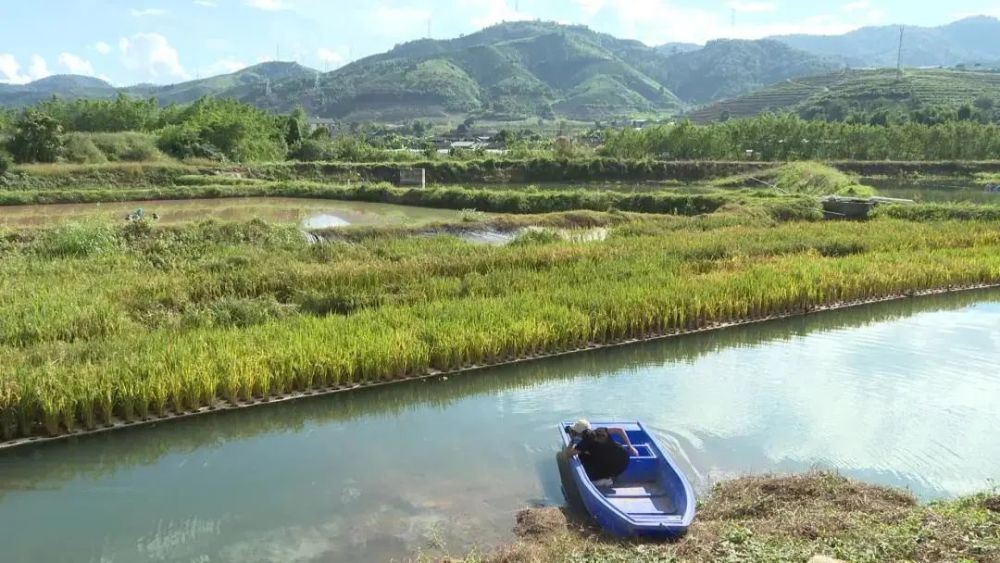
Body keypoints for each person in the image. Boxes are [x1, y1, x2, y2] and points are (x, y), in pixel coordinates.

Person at [564, 419, 638, 488]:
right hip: (624, 458)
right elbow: (620, 430)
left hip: (615, 466)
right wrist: (630, 446)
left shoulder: (585, 443)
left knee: (582, 456)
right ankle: (611, 475)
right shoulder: (599, 431)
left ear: (579, 433)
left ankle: (605, 480)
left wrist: (572, 441)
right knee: (590, 453)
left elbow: (568, 454)